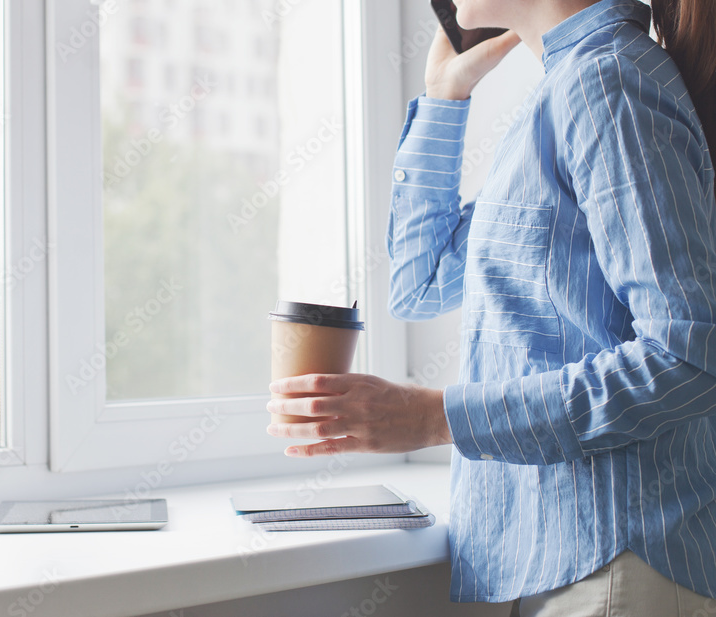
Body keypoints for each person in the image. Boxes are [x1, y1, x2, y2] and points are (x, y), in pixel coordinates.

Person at [265, 0, 716, 614]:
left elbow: (686, 356)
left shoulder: (609, 81)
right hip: (564, 562)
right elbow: (419, 284)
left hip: (612, 564)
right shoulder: (566, 89)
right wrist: (444, 96)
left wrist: (434, 419)